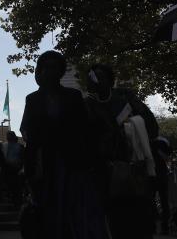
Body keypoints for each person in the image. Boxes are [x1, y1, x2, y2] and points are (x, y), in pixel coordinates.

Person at [19, 50, 105, 239]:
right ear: (40, 70)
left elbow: (84, 129)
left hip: (72, 164)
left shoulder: (73, 96)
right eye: (47, 67)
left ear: (61, 70)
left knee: (72, 211)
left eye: (55, 67)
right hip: (45, 164)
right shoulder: (32, 99)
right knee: (49, 210)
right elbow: (28, 132)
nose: (50, 71)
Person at [85, 64, 158, 239]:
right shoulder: (87, 105)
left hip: (136, 168)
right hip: (107, 174)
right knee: (116, 221)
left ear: (110, 80)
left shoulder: (125, 97)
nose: (97, 80)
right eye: (93, 77)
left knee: (141, 220)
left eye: (101, 76)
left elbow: (151, 127)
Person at [2, 131, 25, 209]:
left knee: (12, 187)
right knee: (16, 188)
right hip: (15, 169)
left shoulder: (4, 146)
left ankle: (14, 202)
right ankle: (17, 202)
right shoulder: (20, 146)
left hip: (10, 169)